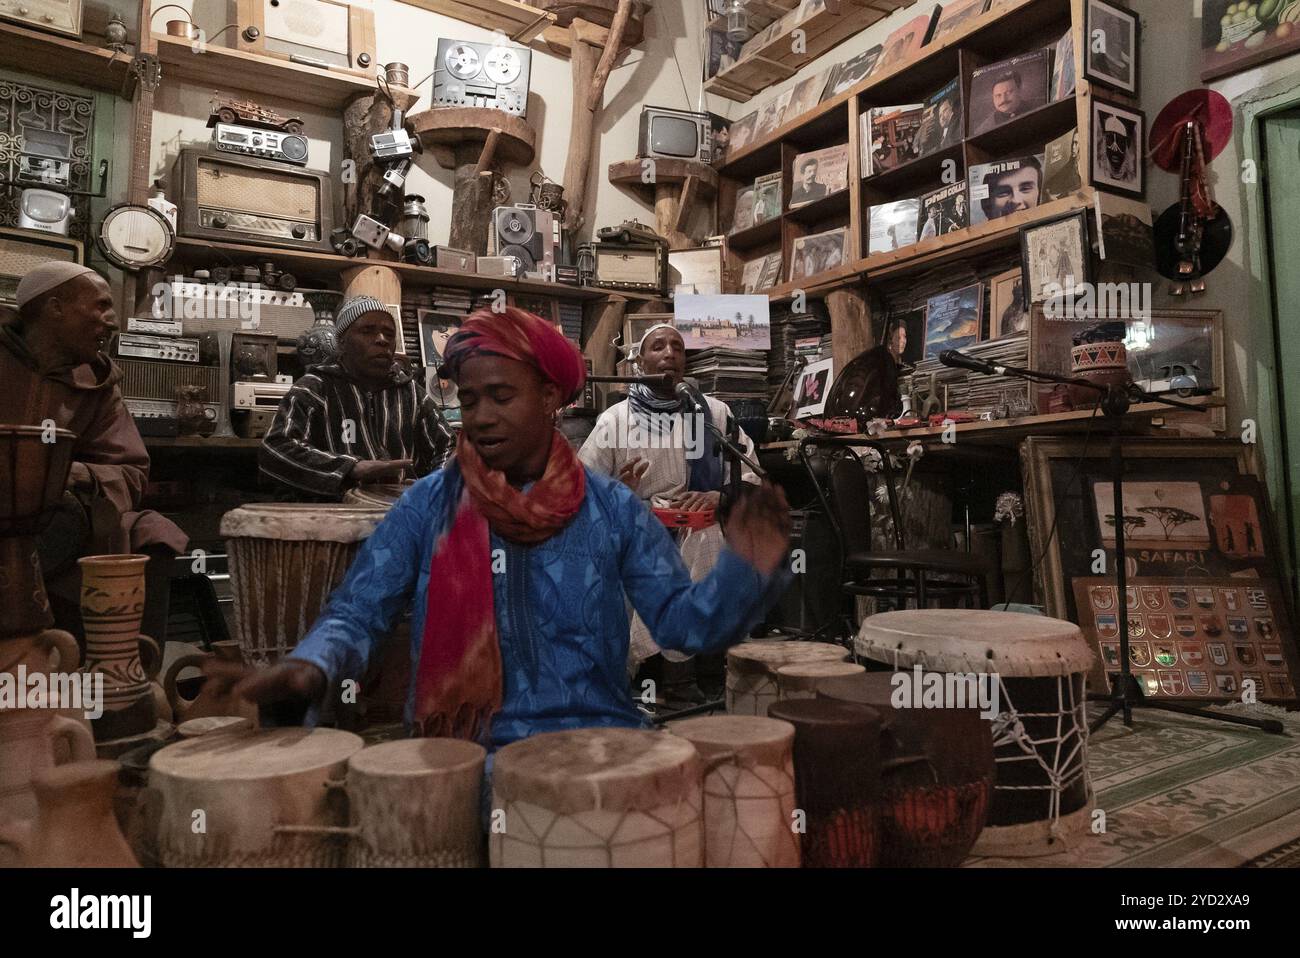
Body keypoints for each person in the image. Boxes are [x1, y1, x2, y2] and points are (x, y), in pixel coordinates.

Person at [237, 307, 791, 750]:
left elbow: (680, 625)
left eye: (501, 397)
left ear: (551, 397)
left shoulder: (612, 509)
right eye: (469, 399)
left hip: (592, 742)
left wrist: (745, 569)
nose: (479, 416)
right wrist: (311, 664)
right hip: (461, 750)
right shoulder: (429, 505)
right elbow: (358, 610)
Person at [0, 263, 188, 643]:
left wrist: (74, 474)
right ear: (55, 307)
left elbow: (131, 471)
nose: (113, 321)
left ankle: (116, 669)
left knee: (151, 531)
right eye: (101, 306)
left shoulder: (99, 386)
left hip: (68, 519)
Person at [578, 323, 763, 703]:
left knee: (706, 535)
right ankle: (668, 673)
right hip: (637, 524)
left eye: (678, 347)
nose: (669, 354)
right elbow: (581, 489)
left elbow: (752, 475)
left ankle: (686, 671)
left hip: (702, 521)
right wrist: (620, 494)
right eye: (658, 346)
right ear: (639, 362)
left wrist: (718, 495)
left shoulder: (713, 413)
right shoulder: (616, 419)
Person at [259, 295, 453, 500]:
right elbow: (275, 451)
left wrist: (432, 487)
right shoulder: (315, 388)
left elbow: (449, 445)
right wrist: (350, 468)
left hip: (400, 513)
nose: (382, 339)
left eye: (389, 333)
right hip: (332, 517)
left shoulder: (411, 393)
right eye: (367, 331)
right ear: (341, 342)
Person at [1100, 112, 1137, 184]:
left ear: (1127, 146)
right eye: (1110, 140)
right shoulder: (1100, 172)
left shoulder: (1133, 180)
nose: (1115, 149)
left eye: (1120, 141)